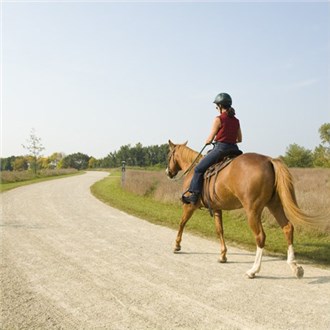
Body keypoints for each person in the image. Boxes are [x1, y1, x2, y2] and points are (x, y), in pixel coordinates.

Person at [182, 92, 243, 204]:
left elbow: (210, 138)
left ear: (220, 106)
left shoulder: (218, 119)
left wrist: (208, 141)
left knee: (198, 169)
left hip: (221, 149)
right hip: (235, 149)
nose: (216, 109)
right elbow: (239, 139)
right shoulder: (236, 121)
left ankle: (194, 195)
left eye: (216, 106)